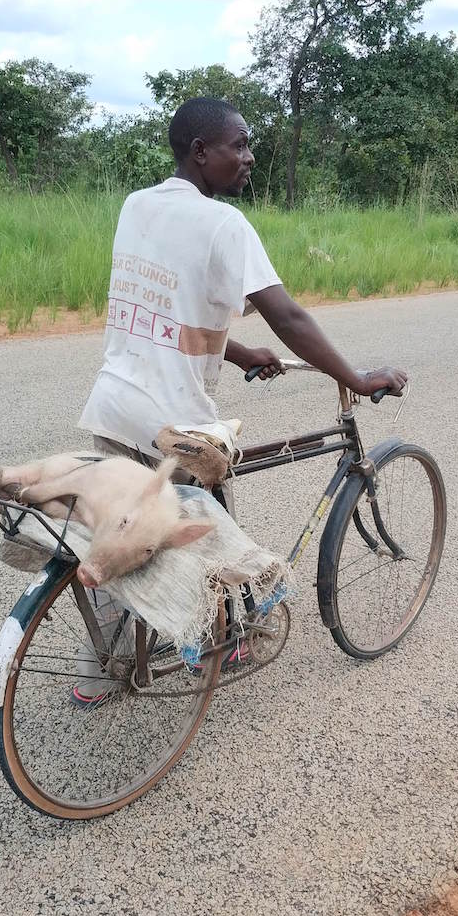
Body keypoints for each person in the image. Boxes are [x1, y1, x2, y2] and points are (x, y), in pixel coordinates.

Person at [69, 97, 407, 706]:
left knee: (117, 540)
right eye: (239, 145)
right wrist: (355, 379)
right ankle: (225, 645)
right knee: (208, 535)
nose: (250, 157)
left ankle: (98, 674)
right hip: (175, 425)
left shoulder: (137, 206)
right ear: (201, 152)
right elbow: (289, 315)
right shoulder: (225, 224)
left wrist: (239, 351)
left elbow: (165, 311)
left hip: (115, 405)